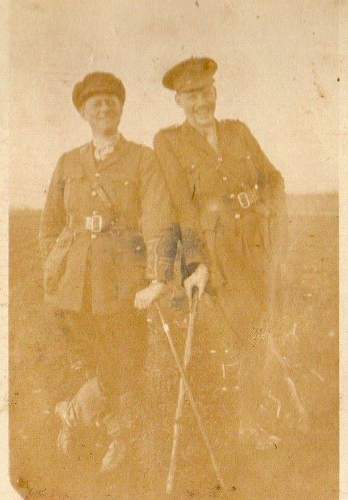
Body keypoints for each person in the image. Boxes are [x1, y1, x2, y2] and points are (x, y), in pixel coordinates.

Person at [151, 57, 308, 477]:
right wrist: (196, 263)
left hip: (258, 246)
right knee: (251, 333)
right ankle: (251, 423)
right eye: (190, 96)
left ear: (215, 92)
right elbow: (183, 204)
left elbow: (273, 178)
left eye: (205, 91)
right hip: (219, 255)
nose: (200, 102)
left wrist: (264, 210)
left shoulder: (238, 131)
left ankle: (281, 392)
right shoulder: (168, 141)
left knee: (258, 329)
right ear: (179, 102)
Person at [39, 71, 175, 485]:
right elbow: (49, 224)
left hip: (121, 284)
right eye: (96, 103)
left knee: (125, 360)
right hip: (74, 284)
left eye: (112, 101)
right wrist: (55, 269)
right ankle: (104, 425)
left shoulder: (142, 159)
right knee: (93, 357)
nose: (105, 108)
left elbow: (157, 220)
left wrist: (155, 280)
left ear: (121, 108)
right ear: (84, 112)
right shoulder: (68, 162)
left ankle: (82, 417)